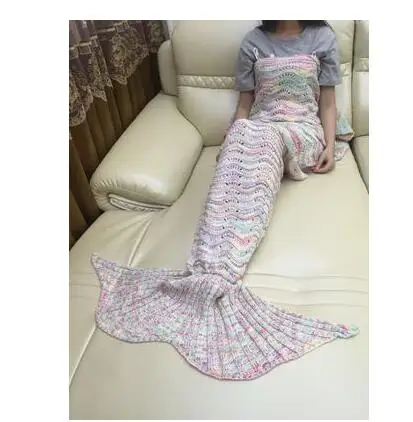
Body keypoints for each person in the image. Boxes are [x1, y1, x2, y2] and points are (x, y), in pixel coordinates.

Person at [92, 21, 358, 381]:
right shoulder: (253, 42)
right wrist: (234, 140)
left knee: (261, 138)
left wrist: (328, 144)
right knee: (245, 134)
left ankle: (221, 272)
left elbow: (327, 101)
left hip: (302, 131)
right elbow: (245, 105)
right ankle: (208, 272)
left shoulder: (322, 38)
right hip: (260, 128)